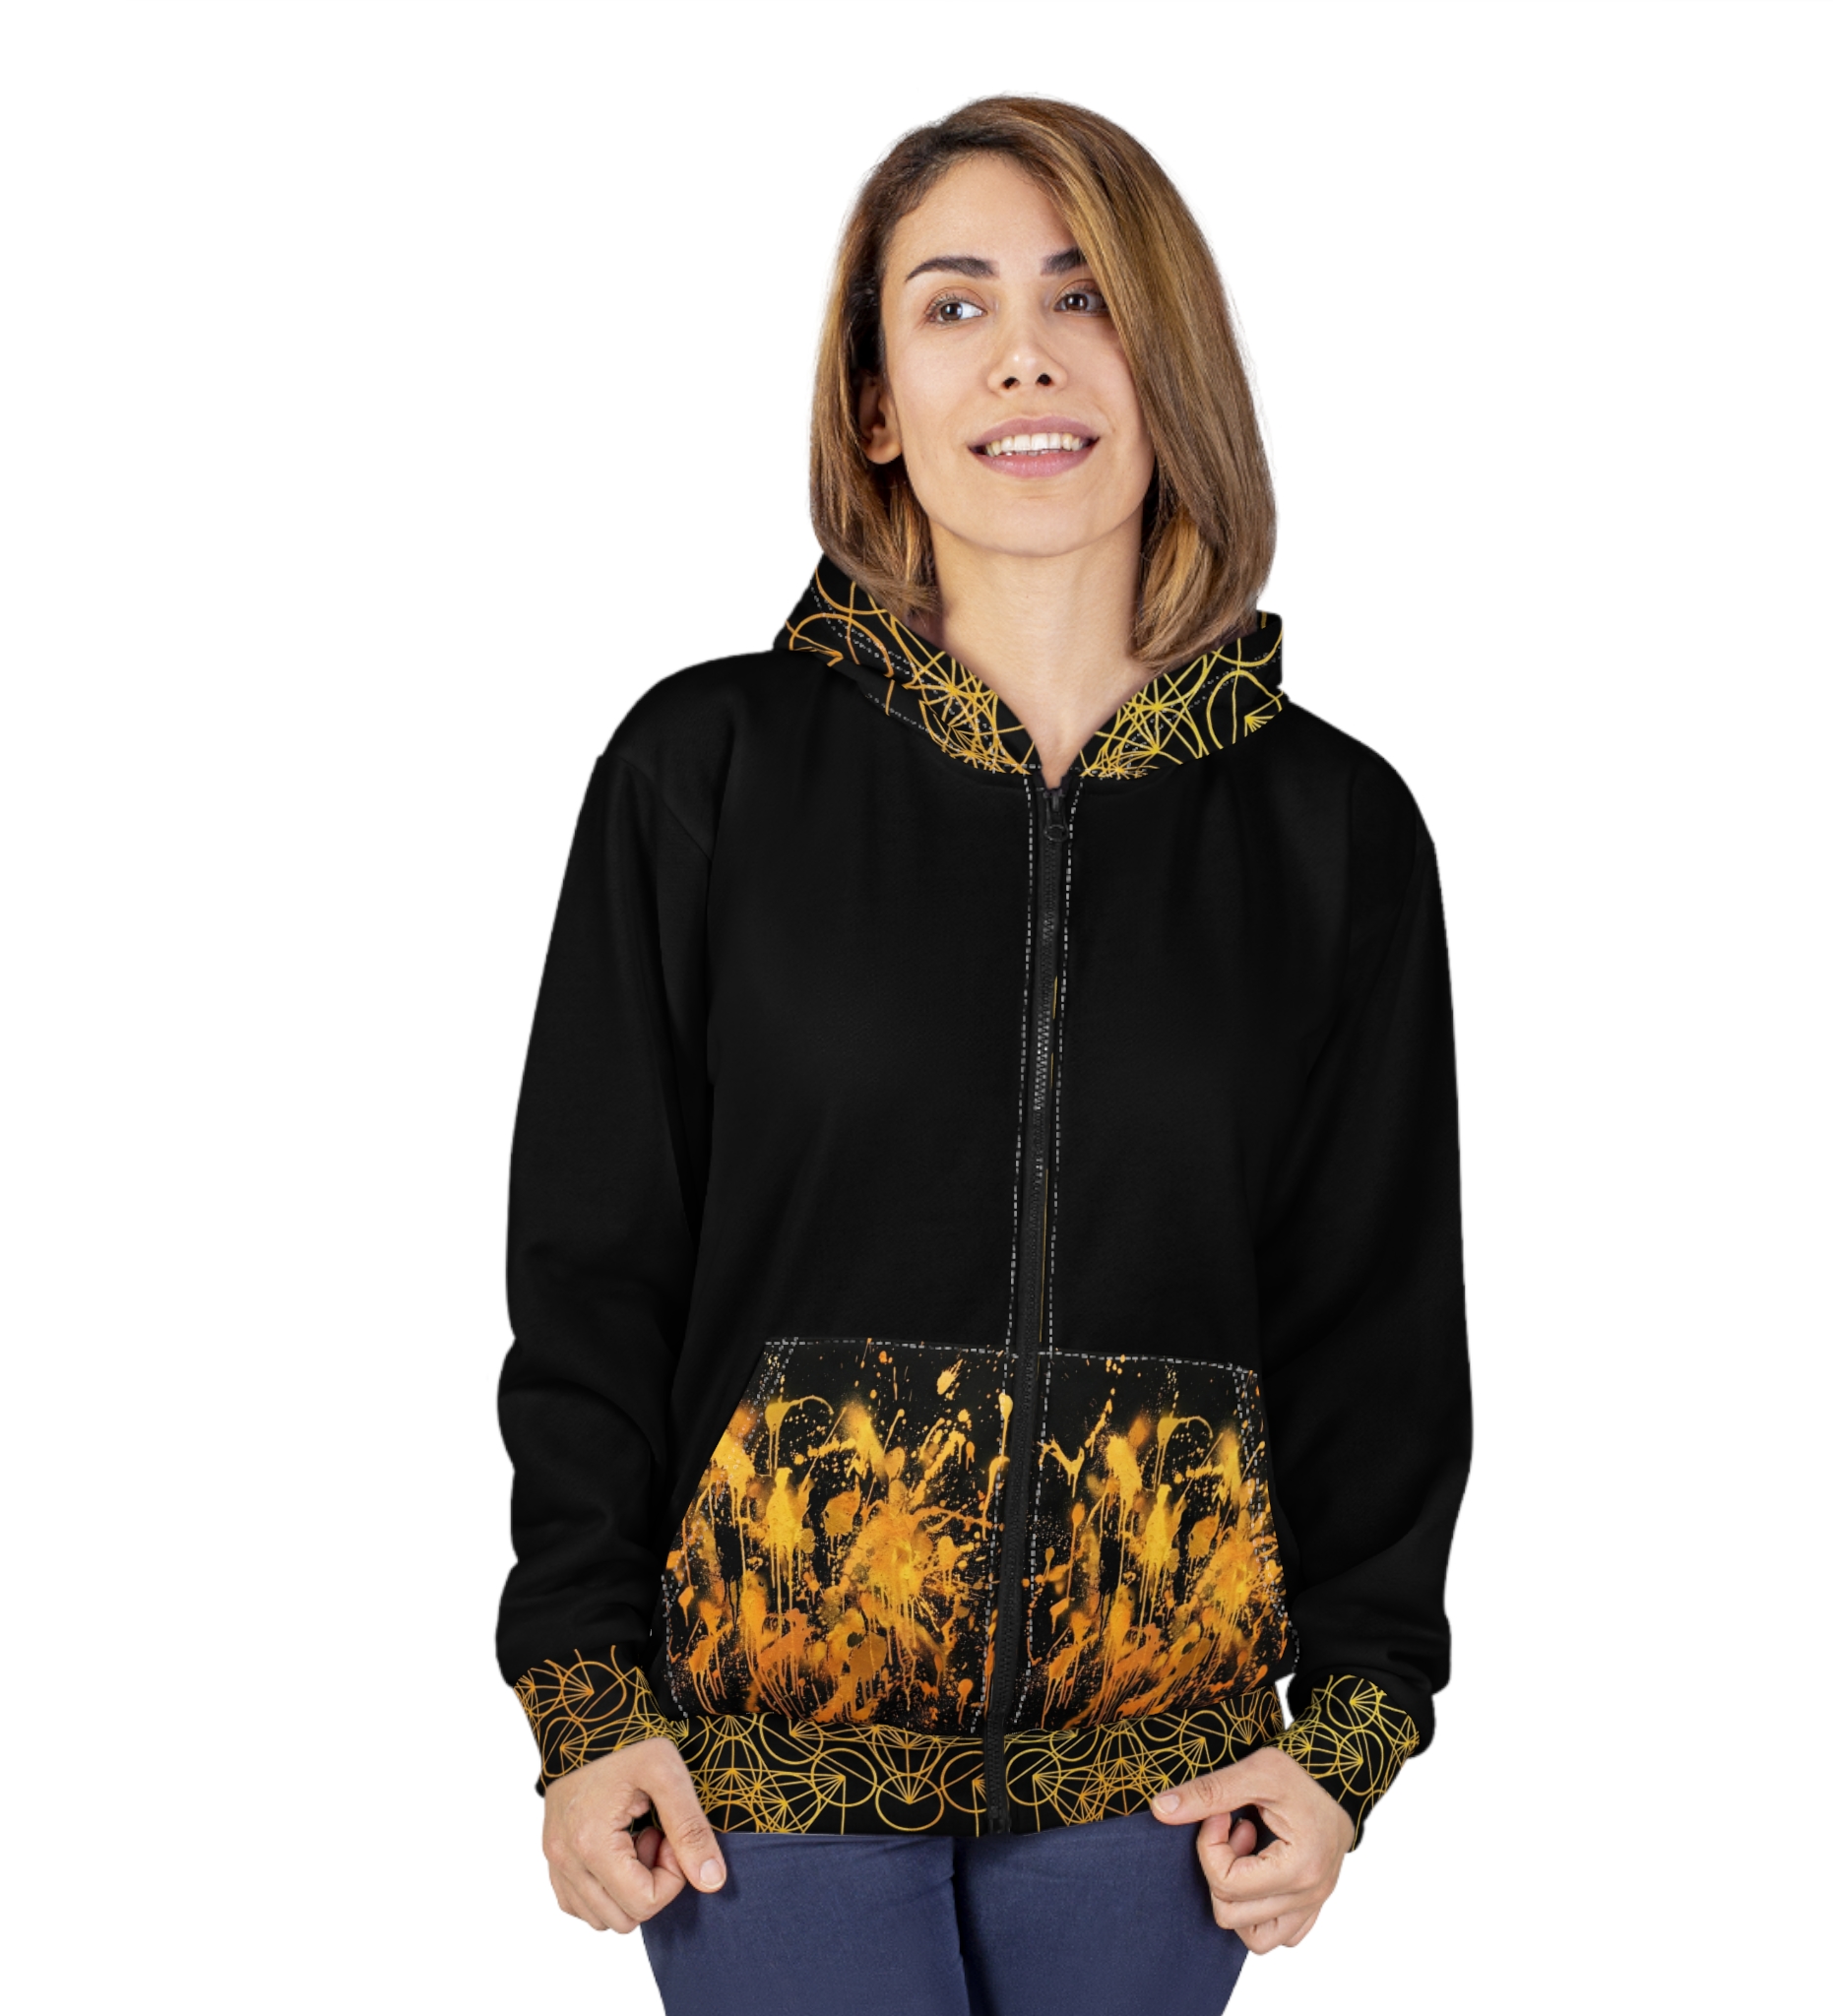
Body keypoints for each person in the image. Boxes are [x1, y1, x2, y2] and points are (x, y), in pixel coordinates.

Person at [496, 94, 1472, 2016]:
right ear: (875, 404)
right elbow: (595, 1268)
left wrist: (1353, 1731)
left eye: (1084, 297)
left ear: (1169, 361)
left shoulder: (1332, 830)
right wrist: (584, 1699)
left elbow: (1374, 1311)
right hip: (757, 1769)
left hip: (1164, 1784)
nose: (1025, 354)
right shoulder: (708, 773)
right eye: (953, 306)